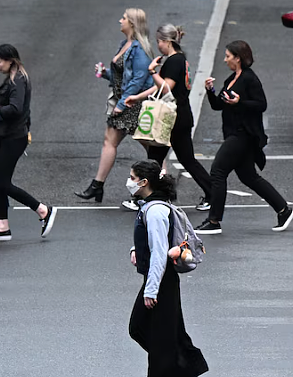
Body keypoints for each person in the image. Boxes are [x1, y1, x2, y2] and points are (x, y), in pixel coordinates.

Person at [126, 160, 208, 377]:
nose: (129, 182)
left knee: (149, 330)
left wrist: (152, 289)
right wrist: (136, 248)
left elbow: (160, 251)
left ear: (144, 182)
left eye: (132, 177)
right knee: (153, 331)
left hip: (161, 279)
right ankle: (184, 367)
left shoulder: (155, 211)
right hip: (161, 277)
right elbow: (153, 242)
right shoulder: (151, 207)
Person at [193, 41, 293, 234]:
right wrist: (210, 91)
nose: (225, 60)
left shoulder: (249, 79)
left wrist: (240, 102)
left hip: (244, 134)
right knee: (249, 177)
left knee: (218, 171)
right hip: (234, 133)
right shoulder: (232, 78)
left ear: (238, 58)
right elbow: (218, 105)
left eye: (228, 56)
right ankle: (283, 209)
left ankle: (213, 221)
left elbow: (261, 104)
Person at [125, 25, 213, 212]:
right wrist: (138, 97)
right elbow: (162, 87)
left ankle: (147, 197)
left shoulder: (174, 61)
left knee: (157, 160)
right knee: (166, 159)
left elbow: (166, 88)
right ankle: (150, 196)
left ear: (167, 41)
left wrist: (152, 72)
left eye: (159, 41)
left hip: (172, 118)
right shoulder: (180, 60)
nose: (158, 45)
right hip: (179, 116)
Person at [75, 8, 154, 209]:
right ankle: (97, 185)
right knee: (109, 142)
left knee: (152, 148)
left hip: (133, 105)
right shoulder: (125, 44)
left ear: (133, 24)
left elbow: (138, 79)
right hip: (123, 101)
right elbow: (122, 75)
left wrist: (121, 104)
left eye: (124, 18)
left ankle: (161, 186)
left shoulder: (140, 49)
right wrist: (105, 73)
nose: (120, 20)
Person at [0, 44, 57, 241]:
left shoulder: (18, 80)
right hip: (8, 135)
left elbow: (16, 108)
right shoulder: (16, 78)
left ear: (10, 60)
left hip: (14, 137)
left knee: (2, 182)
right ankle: (2, 226)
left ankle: (42, 209)